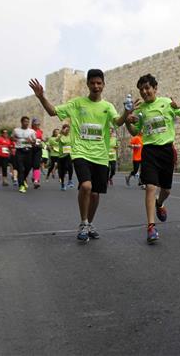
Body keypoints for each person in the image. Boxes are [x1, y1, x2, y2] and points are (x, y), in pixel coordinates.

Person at [29, 69, 134, 243]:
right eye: (92, 83)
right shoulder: (77, 103)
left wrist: (126, 113)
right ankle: (83, 222)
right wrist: (41, 97)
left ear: (103, 85)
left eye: (99, 83)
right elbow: (53, 111)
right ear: (87, 84)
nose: (96, 86)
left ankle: (89, 224)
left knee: (95, 194)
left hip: (101, 156)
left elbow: (118, 122)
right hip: (80, 152)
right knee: (86, 186)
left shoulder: (107, 107)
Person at [125, 74, 180, 244]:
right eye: (141, 90)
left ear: (155, 88)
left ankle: (160, 203)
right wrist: (128, 121)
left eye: (147, 88)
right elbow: (135, 132)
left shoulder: (166, 103)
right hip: (149, 151)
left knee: (166, 190)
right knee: (150, 187)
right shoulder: (140, 110)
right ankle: (150, 226)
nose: (145, 92)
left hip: (166, 151)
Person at [12, 116, 37, 193]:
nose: (26, 123)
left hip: (28, 151)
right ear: (21, 122)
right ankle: (21, 185)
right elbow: (12, 137)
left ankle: (23, 179)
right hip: (19, 151)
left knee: (28, 168)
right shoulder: (16, 130)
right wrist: (16, 139)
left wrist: (31, 141)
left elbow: (34, 142)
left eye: (27, 122)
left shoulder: (32, 131)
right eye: (25, 121)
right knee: (21, 169)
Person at [56, 124, 75, 191]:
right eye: (66, 129)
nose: (67, 131)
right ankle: (63, 184)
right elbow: (56, 140)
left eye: (68, 129)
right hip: (61, 156)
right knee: (62, 171)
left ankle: (70, 180)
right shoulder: (60, 135)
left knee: (70, 166)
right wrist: (61, 133)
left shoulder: (71, 136)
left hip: (69, 154)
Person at [31, 117, 45, 189]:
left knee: (36, 165)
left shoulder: (40, 131)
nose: (37, 125)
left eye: (38, 124)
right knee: (30, 165)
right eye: (36, 124)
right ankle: (34, 176)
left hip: (38, 149)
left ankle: (36, 181)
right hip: (30, 149)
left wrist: (44, 140)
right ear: (33, 124)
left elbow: (40, 138)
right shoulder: (30, 131)